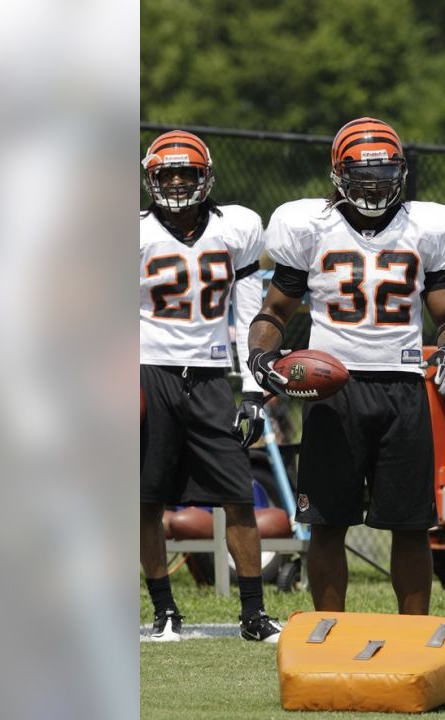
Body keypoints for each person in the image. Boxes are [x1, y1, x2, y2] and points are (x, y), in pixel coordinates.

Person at [247, 117, 445, 615]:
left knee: (412, 526)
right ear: (337, 173)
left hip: (404, 386)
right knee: (327, 523)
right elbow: (275, 312)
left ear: (402, 171)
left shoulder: (426, 228)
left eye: (385, 170)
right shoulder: (311, 227)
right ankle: (329, 631)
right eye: (362, 172)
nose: (374, 182)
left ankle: (414, 635)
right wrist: (261, 353)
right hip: (331, 392)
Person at [139, 130, 282, 642]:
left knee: (237, 496)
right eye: (167, 174)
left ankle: (253, 614)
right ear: (151, 179)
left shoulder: (237, 227)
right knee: (143, 500)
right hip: (147, 371)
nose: (177, 183)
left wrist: (252, 389)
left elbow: (249, 314)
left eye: (186, 173)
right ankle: (165, 612)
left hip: (210, 373)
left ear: (207, 177)